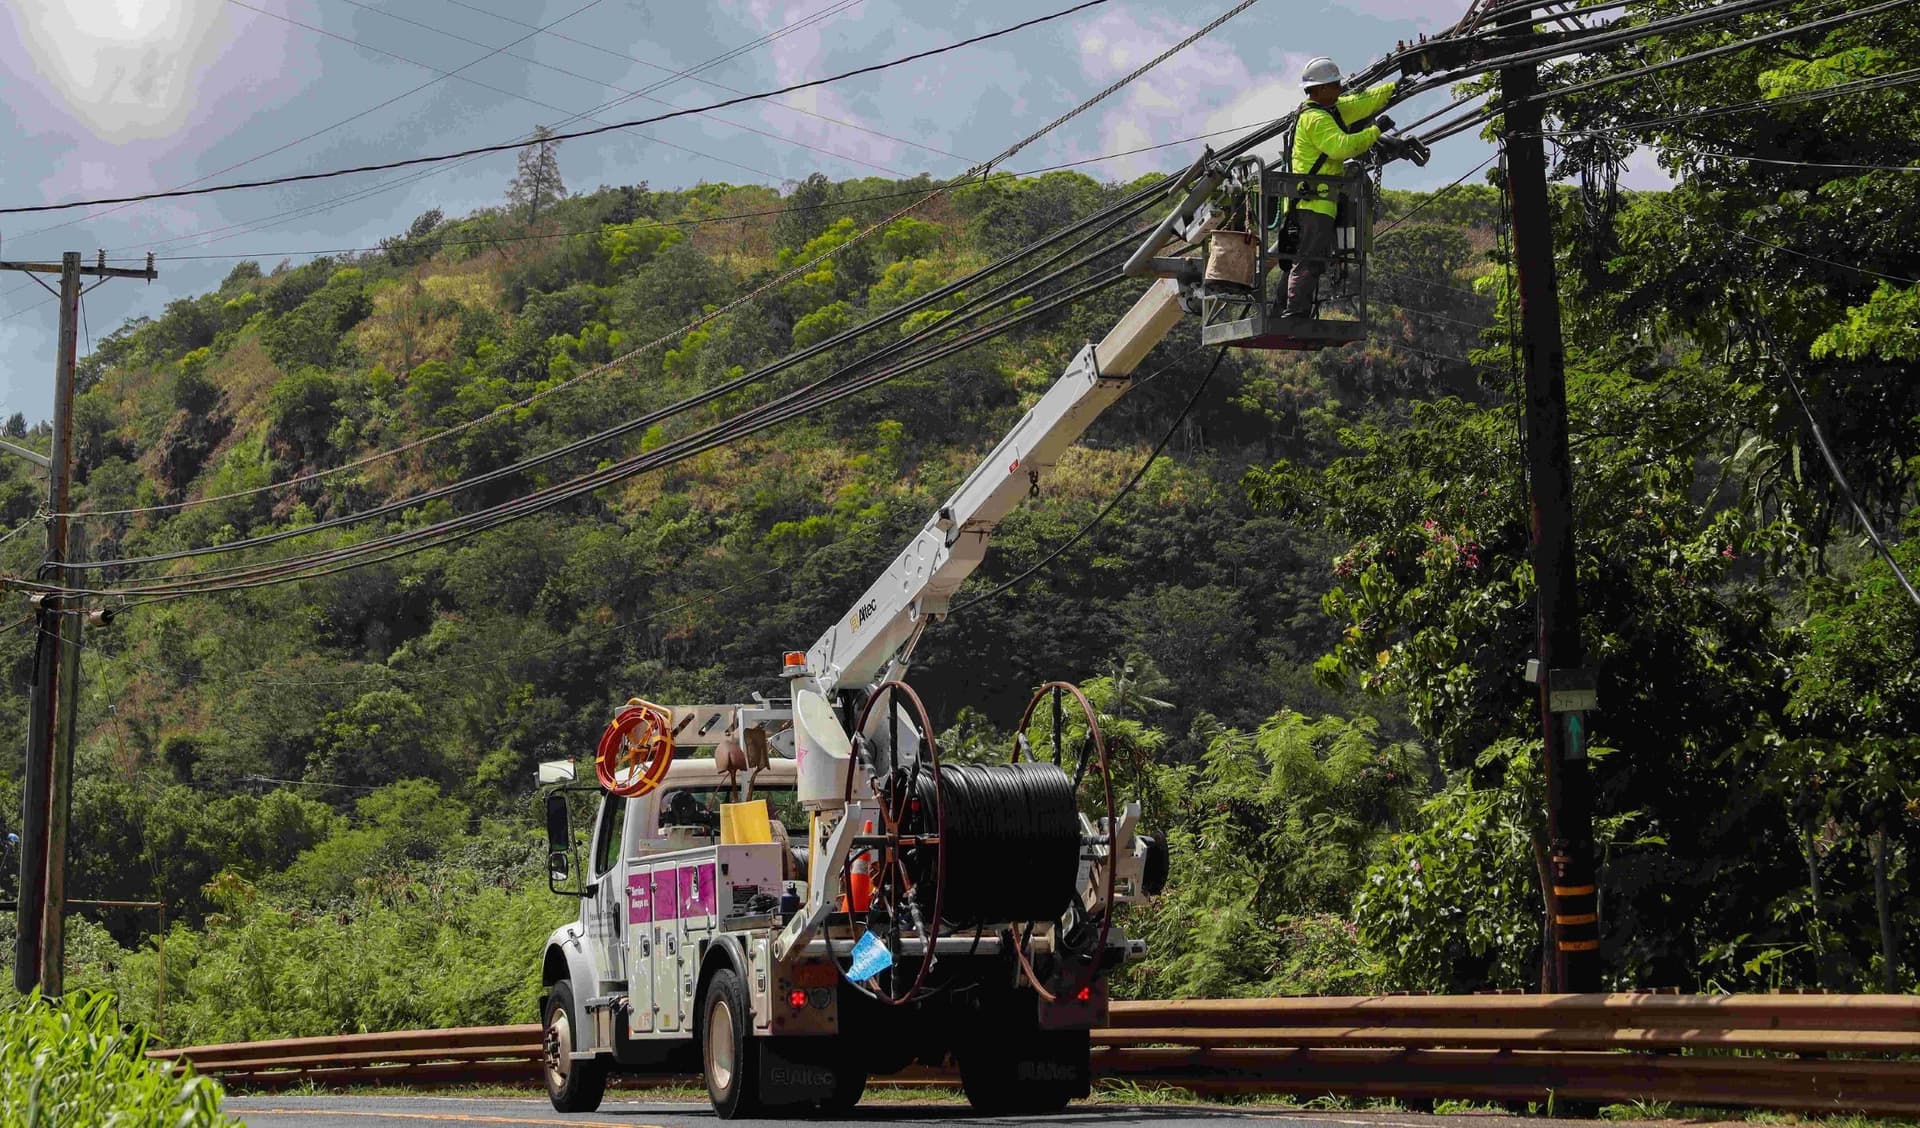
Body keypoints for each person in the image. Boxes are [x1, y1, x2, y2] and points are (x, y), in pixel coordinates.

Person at [1280, 56, 1398, 319]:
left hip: (1314, 201)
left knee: (1307, 258)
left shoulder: (1329, 109)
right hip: (1312, 202)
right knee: (1309, 259)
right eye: (1334, 85)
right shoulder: (1316, 119)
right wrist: (1376, 131)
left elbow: (1361, 103)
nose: (1339, 89)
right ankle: (1295, 313)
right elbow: (1343, 147)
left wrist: (1395, 86)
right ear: (1319, 89)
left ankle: (1288, 309)